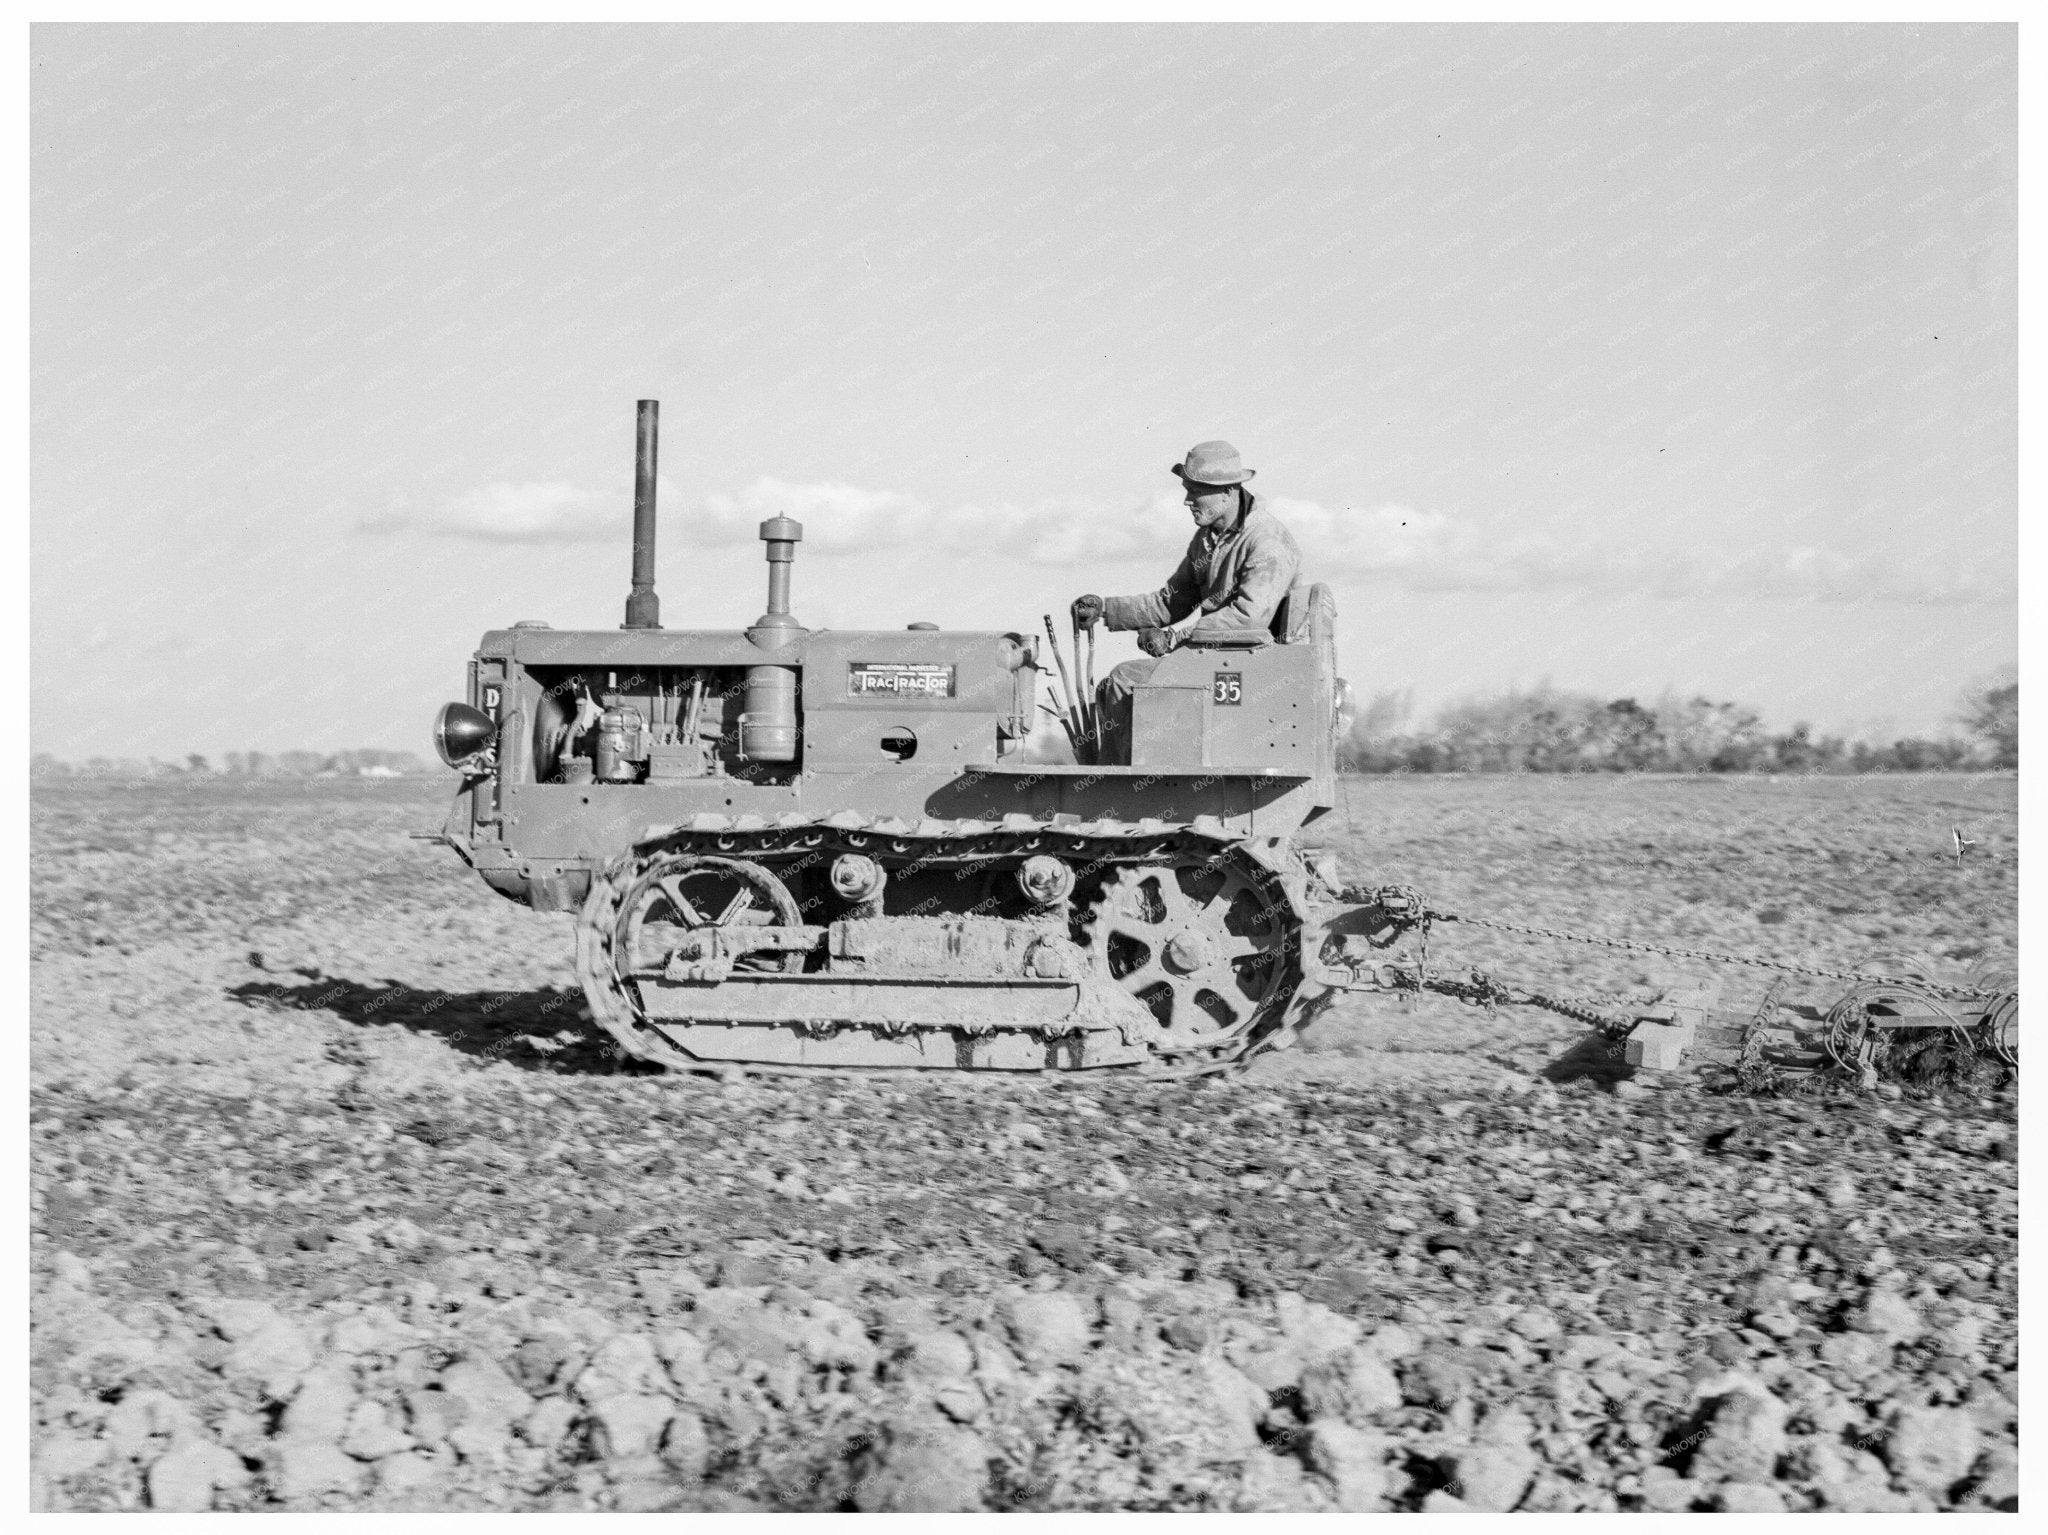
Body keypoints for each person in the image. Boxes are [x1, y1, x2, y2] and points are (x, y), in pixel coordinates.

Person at [1071, 441, 1303, 762]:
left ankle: (1118, 788)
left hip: (1246, 666)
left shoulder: (1267, 541)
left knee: (1124, 680)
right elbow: (1171, 602)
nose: (1187, 500)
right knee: (1118, 681)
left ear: (1228, 491)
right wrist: (1106, 609)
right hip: (1213, 659)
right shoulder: (1207, 541)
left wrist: (1175, 638)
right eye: (1187, 489)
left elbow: (1249, 618)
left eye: (1195, 490)